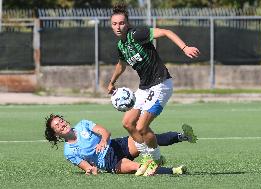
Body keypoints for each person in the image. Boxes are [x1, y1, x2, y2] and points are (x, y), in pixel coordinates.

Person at [107, 3, 200, 176]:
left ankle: (155, 159)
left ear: (127, 23)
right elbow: (121, 65)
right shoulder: (121, 45)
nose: (118, 27)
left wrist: (185, 47)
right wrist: (112, 82)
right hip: (144, 87)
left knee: (142, 126)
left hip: (161, 83)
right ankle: (147, 157)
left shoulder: (137, 34)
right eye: (114, 24)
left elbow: (165, 32)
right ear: (111, 25)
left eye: (121, 23)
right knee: (128, 123)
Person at [44, 114, 196, 176]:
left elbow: (104, 131)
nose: (62, 124)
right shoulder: (69, 151)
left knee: (146, 137)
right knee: (139, 167)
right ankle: (174, 171)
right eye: (57, 126)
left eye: (61, 121)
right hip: (110, 162)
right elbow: (86, 166)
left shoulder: (83, 124)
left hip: (116, 145)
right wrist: (91, 169)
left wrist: (103, 140)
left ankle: (182, 136)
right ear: (56, 134)